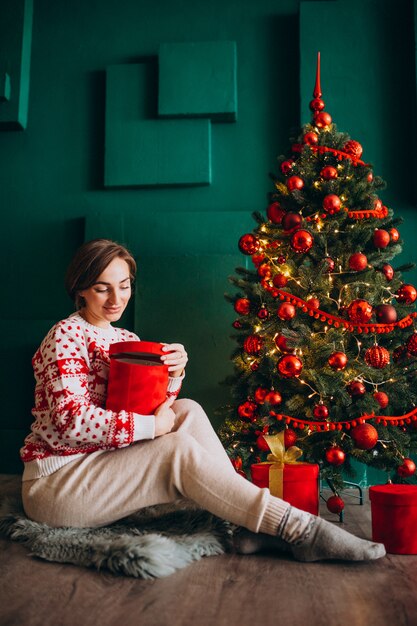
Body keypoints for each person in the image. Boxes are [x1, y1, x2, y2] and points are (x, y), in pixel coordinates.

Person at [21, 239, 386, 562]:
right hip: (57, 485)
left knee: (188, 411)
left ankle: (248, 525)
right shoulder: (66, 335)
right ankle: (300, 530)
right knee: (175, 446)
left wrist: (174, 373)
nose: (116, 299)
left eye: (124, 285)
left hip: (103, 464)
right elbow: (71, 421)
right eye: (102, 289)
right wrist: (153, 426)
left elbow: (150, 407)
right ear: (80, 289)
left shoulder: (125, 337)